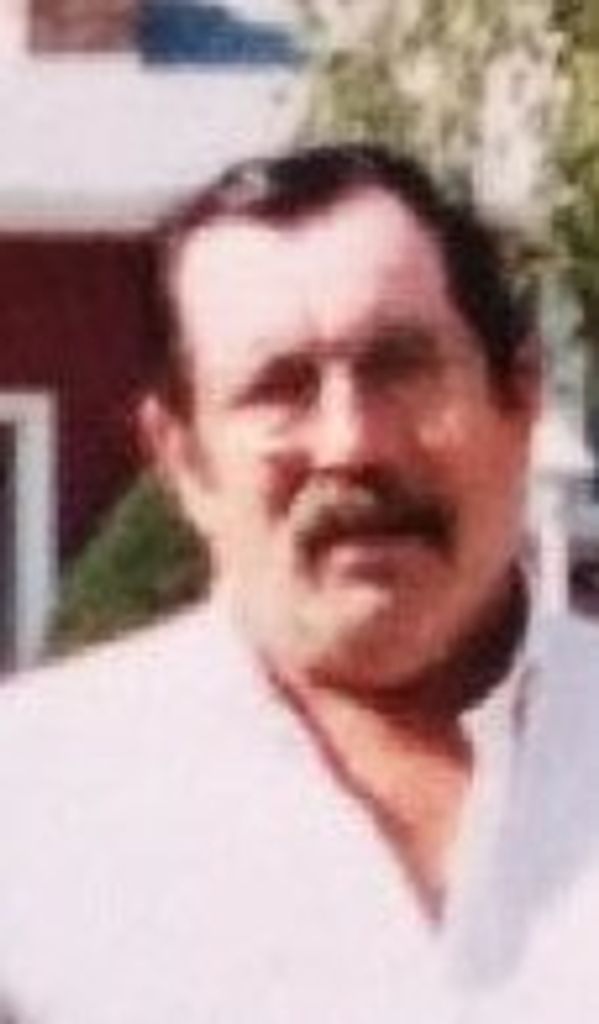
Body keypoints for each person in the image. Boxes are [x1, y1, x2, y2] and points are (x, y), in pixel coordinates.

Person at [0, 143, 598, 1024]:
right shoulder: (35, 799)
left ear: (519, 400)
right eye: (278, 388)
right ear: (183, 458)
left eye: (401, 366)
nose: (352, 443)